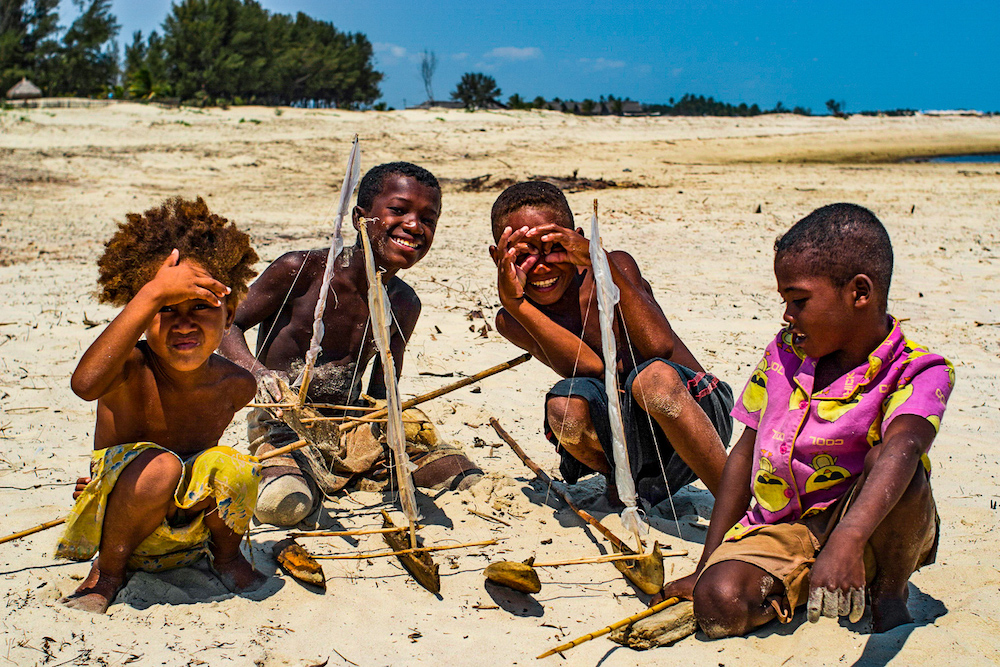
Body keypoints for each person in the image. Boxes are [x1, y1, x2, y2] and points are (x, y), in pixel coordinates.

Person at [656, 203, 953, 636]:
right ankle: (809, 581)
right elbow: (744, 452)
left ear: (860, 293)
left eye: (798, 300)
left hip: (879, 528)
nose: (787, 315)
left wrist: (849, 539)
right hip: (785, 528)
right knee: (719, 604)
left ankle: (888, 592)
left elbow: (906, 448)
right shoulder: (783, 354)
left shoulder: (920, 370)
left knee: (891, 463)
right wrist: (707, 564)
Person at [220, 162, 481, 527]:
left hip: (354, 424)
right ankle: (296, 472)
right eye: (399, 210)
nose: (414, 226)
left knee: (465, 476)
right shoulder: (303, 270)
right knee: (284, 504)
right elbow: (226, 325)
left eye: (428, 219)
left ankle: (366, 472)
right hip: (287, 423)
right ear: (361, 218)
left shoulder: (404, 303)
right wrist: (260, 376)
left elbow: (383, 385)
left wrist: (387, 423)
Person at [56, 197, 264, 614]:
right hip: (118, 530)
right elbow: (84, 385)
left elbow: (204, 473)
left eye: (200, 307)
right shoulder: (129, 367)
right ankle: (108, 575)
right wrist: (152, 291)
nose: (183, 323)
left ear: (228, 316)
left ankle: (226, 557)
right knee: (161, 467)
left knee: (235, 466)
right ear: (141, 313)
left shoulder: (236, 385)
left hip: (185, 534)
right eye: (164, 309)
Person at [488, 181, 732, 505]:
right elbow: (587, 368)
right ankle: (621, 483)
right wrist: (517, 304)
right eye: (522, 254)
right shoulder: (514, 318)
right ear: (497, 257)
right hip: (628, 437)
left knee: (652, 380)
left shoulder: (613, 266)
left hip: (697, 410)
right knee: (564, 408)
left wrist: (598, 259)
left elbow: (658, 346)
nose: (541, 265)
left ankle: (735, 504)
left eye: (553, 247)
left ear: (576, 239)